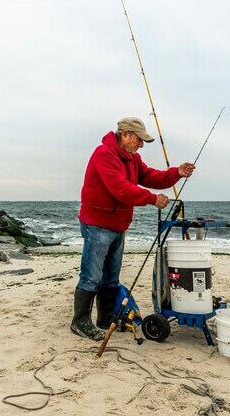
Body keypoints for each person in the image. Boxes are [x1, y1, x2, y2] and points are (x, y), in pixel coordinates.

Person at [71, 117, 196, 340]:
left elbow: (150, 176)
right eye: (139, 140)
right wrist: (151, 199)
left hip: (118, 225)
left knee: (111, 276)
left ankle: (105, 316)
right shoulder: (104, 154)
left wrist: (176, 172)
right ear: (125, 134)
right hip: (97, 224)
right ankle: (80, 321)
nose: (141, 145)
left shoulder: (132, 158)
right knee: (91, 275)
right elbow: (120, 188)